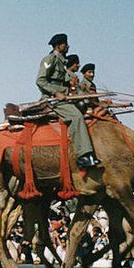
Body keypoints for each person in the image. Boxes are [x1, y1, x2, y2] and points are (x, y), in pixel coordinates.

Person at [37, 33, 98, 168]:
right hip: (52, 99)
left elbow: (65, 81)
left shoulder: (61, 62)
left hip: (63, 96)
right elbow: (40, 81)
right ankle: (83, 156)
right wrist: (56, 92)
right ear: (59, 46)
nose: (68, 46)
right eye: (65, 44)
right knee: (76, 116)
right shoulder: (49, 59)